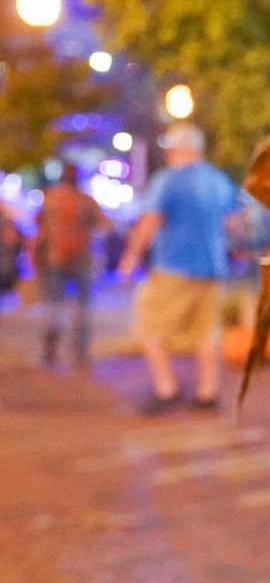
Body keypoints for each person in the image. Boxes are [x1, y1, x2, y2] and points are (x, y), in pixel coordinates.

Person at [119, 122, 240, 412]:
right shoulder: (219, 180)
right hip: (213, 266)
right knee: (206, 331)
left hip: (173, 265)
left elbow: (150, 221)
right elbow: (232, 223)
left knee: (151, 325)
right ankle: (207, 393)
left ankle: (166, 389)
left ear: (175, 149)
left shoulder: (167, 180)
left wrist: (131, 256)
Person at [31, 165, 107, 368]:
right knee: (82, 305)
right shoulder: (85, 200)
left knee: (54, 303)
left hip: (54, 257)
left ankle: (51, 348)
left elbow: (39, 227)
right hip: (81, 257)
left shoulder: (50, 198)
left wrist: (36, 256)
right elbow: (104, 224)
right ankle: (80, 351)